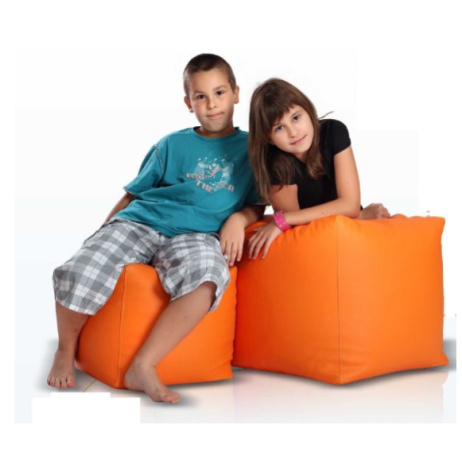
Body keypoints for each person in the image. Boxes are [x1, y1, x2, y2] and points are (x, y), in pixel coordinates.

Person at [47, 53, 264, 404]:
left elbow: (258, 202)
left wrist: (239, 219)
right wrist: (103, 231)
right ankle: (65, 349)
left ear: (236, 94)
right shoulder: (171, 145)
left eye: (220, 93)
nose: (212, 104)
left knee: (208, 278)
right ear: (188, 102)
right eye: (201, 96)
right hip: (142, 222)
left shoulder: (253, 150)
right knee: (82, 269)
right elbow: (133, 194)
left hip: (199, 235)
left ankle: (143, 365)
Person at [247, 78, 390, 259]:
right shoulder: (274, 163)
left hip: (352, 235)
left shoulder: (333, 131)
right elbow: (298, 230)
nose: (293, 132)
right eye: (280, 128)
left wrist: (286, 219)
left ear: (308, 110)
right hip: (316, 245)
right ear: (269, 138)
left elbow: (350, 205)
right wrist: (358, 217)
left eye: (296, 118)